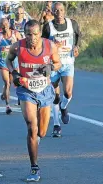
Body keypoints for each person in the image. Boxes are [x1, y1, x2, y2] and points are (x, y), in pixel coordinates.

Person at [5, 19, 61, 182]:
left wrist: (49, 68)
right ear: (24, 34)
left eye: (35, 34)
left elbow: (58, 63)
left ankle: (36, 141)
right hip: (25, 90)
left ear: (40, 34)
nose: (32, 38)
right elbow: (8, 60)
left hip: (44, 89)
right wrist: (14, 73)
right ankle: (34, 168)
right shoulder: (17, 46)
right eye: (28, 34)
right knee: (31, 126)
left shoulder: (50, 46)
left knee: (42, 132)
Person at [42, 2, 81, 137]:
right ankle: (56, 125)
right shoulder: (48, 27)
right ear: (52, 12)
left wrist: (76, 47)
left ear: (64, 11)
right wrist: (53, 46)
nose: (59, 13)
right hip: (53, 64)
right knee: (55, 96)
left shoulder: (72, 24)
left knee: (68, 93)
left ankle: (64, 108)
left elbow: (78, 36)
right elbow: (43, 45)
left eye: (61, 10)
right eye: (56, 11)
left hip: (68, 63)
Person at [0, 18, 23, 114]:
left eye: (6, 24)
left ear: (9, 24)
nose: (5, 26)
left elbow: (23, 44)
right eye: (3, 24)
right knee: (7, 83)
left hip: (13, 62)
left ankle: (4, 93)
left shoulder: (15, 34)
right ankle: (7, 106)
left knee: (12, 82)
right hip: (3, 62)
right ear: (0, 26)